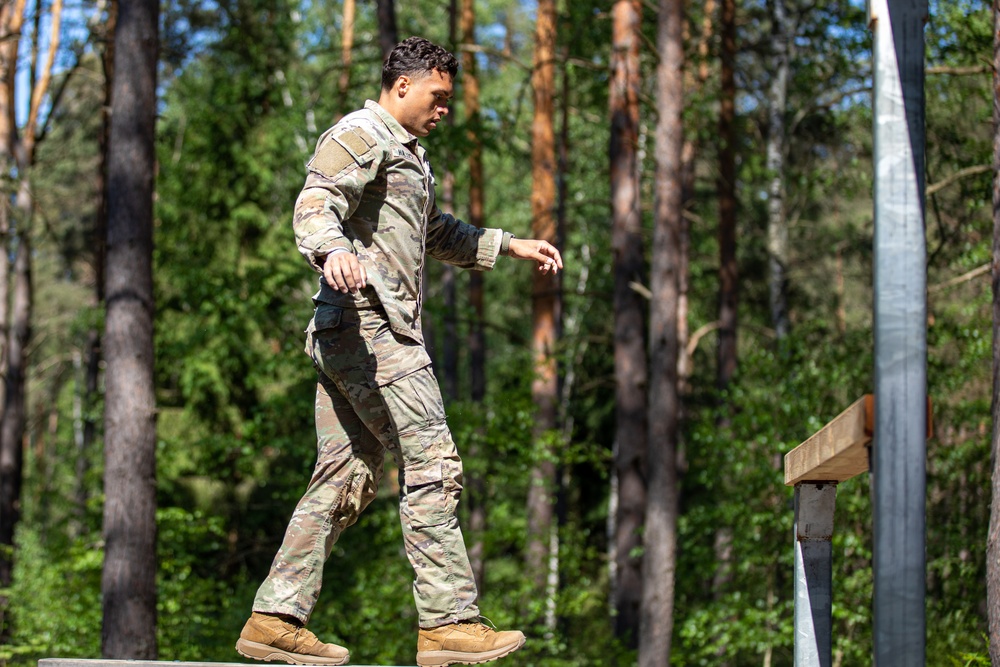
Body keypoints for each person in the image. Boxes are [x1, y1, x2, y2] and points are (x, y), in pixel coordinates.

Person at [235, 36, 563, 667]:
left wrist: (508, 245)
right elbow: (316, 203)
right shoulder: (362, 134)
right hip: (371, 327)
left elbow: (432, 230)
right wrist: (332, 251)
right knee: (433, 462)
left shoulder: (407, 154)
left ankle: (275, 617)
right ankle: (446, 621)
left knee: (347, 474)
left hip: (351, 332)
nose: (444, 110)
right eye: (438, 97)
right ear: (403, 85)